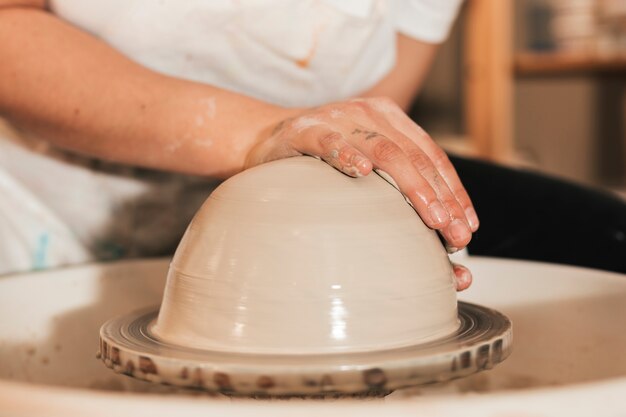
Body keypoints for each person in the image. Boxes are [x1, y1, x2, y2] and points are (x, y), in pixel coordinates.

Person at [0, 1, 623, 283]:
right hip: (44, 206)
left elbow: (376, 106)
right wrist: (257, 131)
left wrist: (398, 238)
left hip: (283, 206)